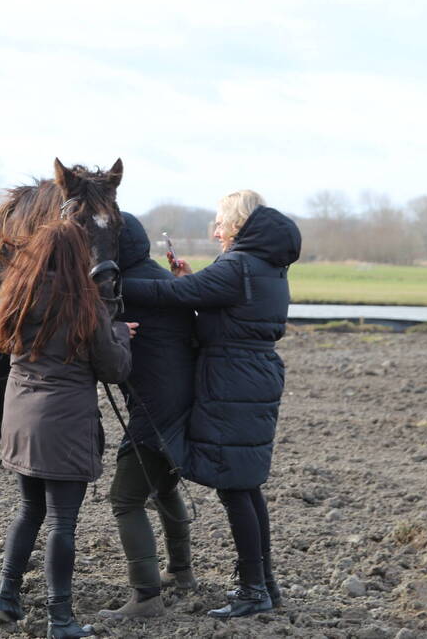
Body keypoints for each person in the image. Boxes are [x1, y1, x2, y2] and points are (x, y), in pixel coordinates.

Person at [120, 191, 301, 619]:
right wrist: (190, 280)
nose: (217, 230)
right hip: (252, 375)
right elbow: (219, 302)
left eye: (221, 223)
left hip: (231, 380)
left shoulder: (238, 264)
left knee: (235, 488)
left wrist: (112, 285)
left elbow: (170, 298)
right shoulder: (268, 265)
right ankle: (265, 585)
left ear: (238, 225)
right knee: (246, 487)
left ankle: (252, 590)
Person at [0, 219, 134, 638]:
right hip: (67, 425)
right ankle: (61, 620)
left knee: (29, 510)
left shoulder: (8, 297)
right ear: (78, 259)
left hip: (21, 422)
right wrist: (121, 336)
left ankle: (6, 596)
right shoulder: (88, 306)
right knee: (62, 523)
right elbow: (114, 369)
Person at [97, 212, 197, 620]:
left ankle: (146, 598)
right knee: (163, 485)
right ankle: (181, 571)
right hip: (180, 402)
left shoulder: (124, 291)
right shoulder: (162, 280)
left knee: (125, 498)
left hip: (155, 407)